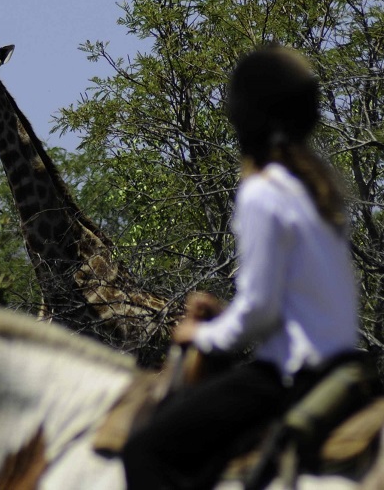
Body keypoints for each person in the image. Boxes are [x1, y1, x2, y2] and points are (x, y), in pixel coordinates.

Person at [121, 45, 359, 489]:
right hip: (345, 369)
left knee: (145, 451)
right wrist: (227, 315)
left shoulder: (261, 193)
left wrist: (202, 334)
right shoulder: (317, 192)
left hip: (291, 377)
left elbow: (261, 311)